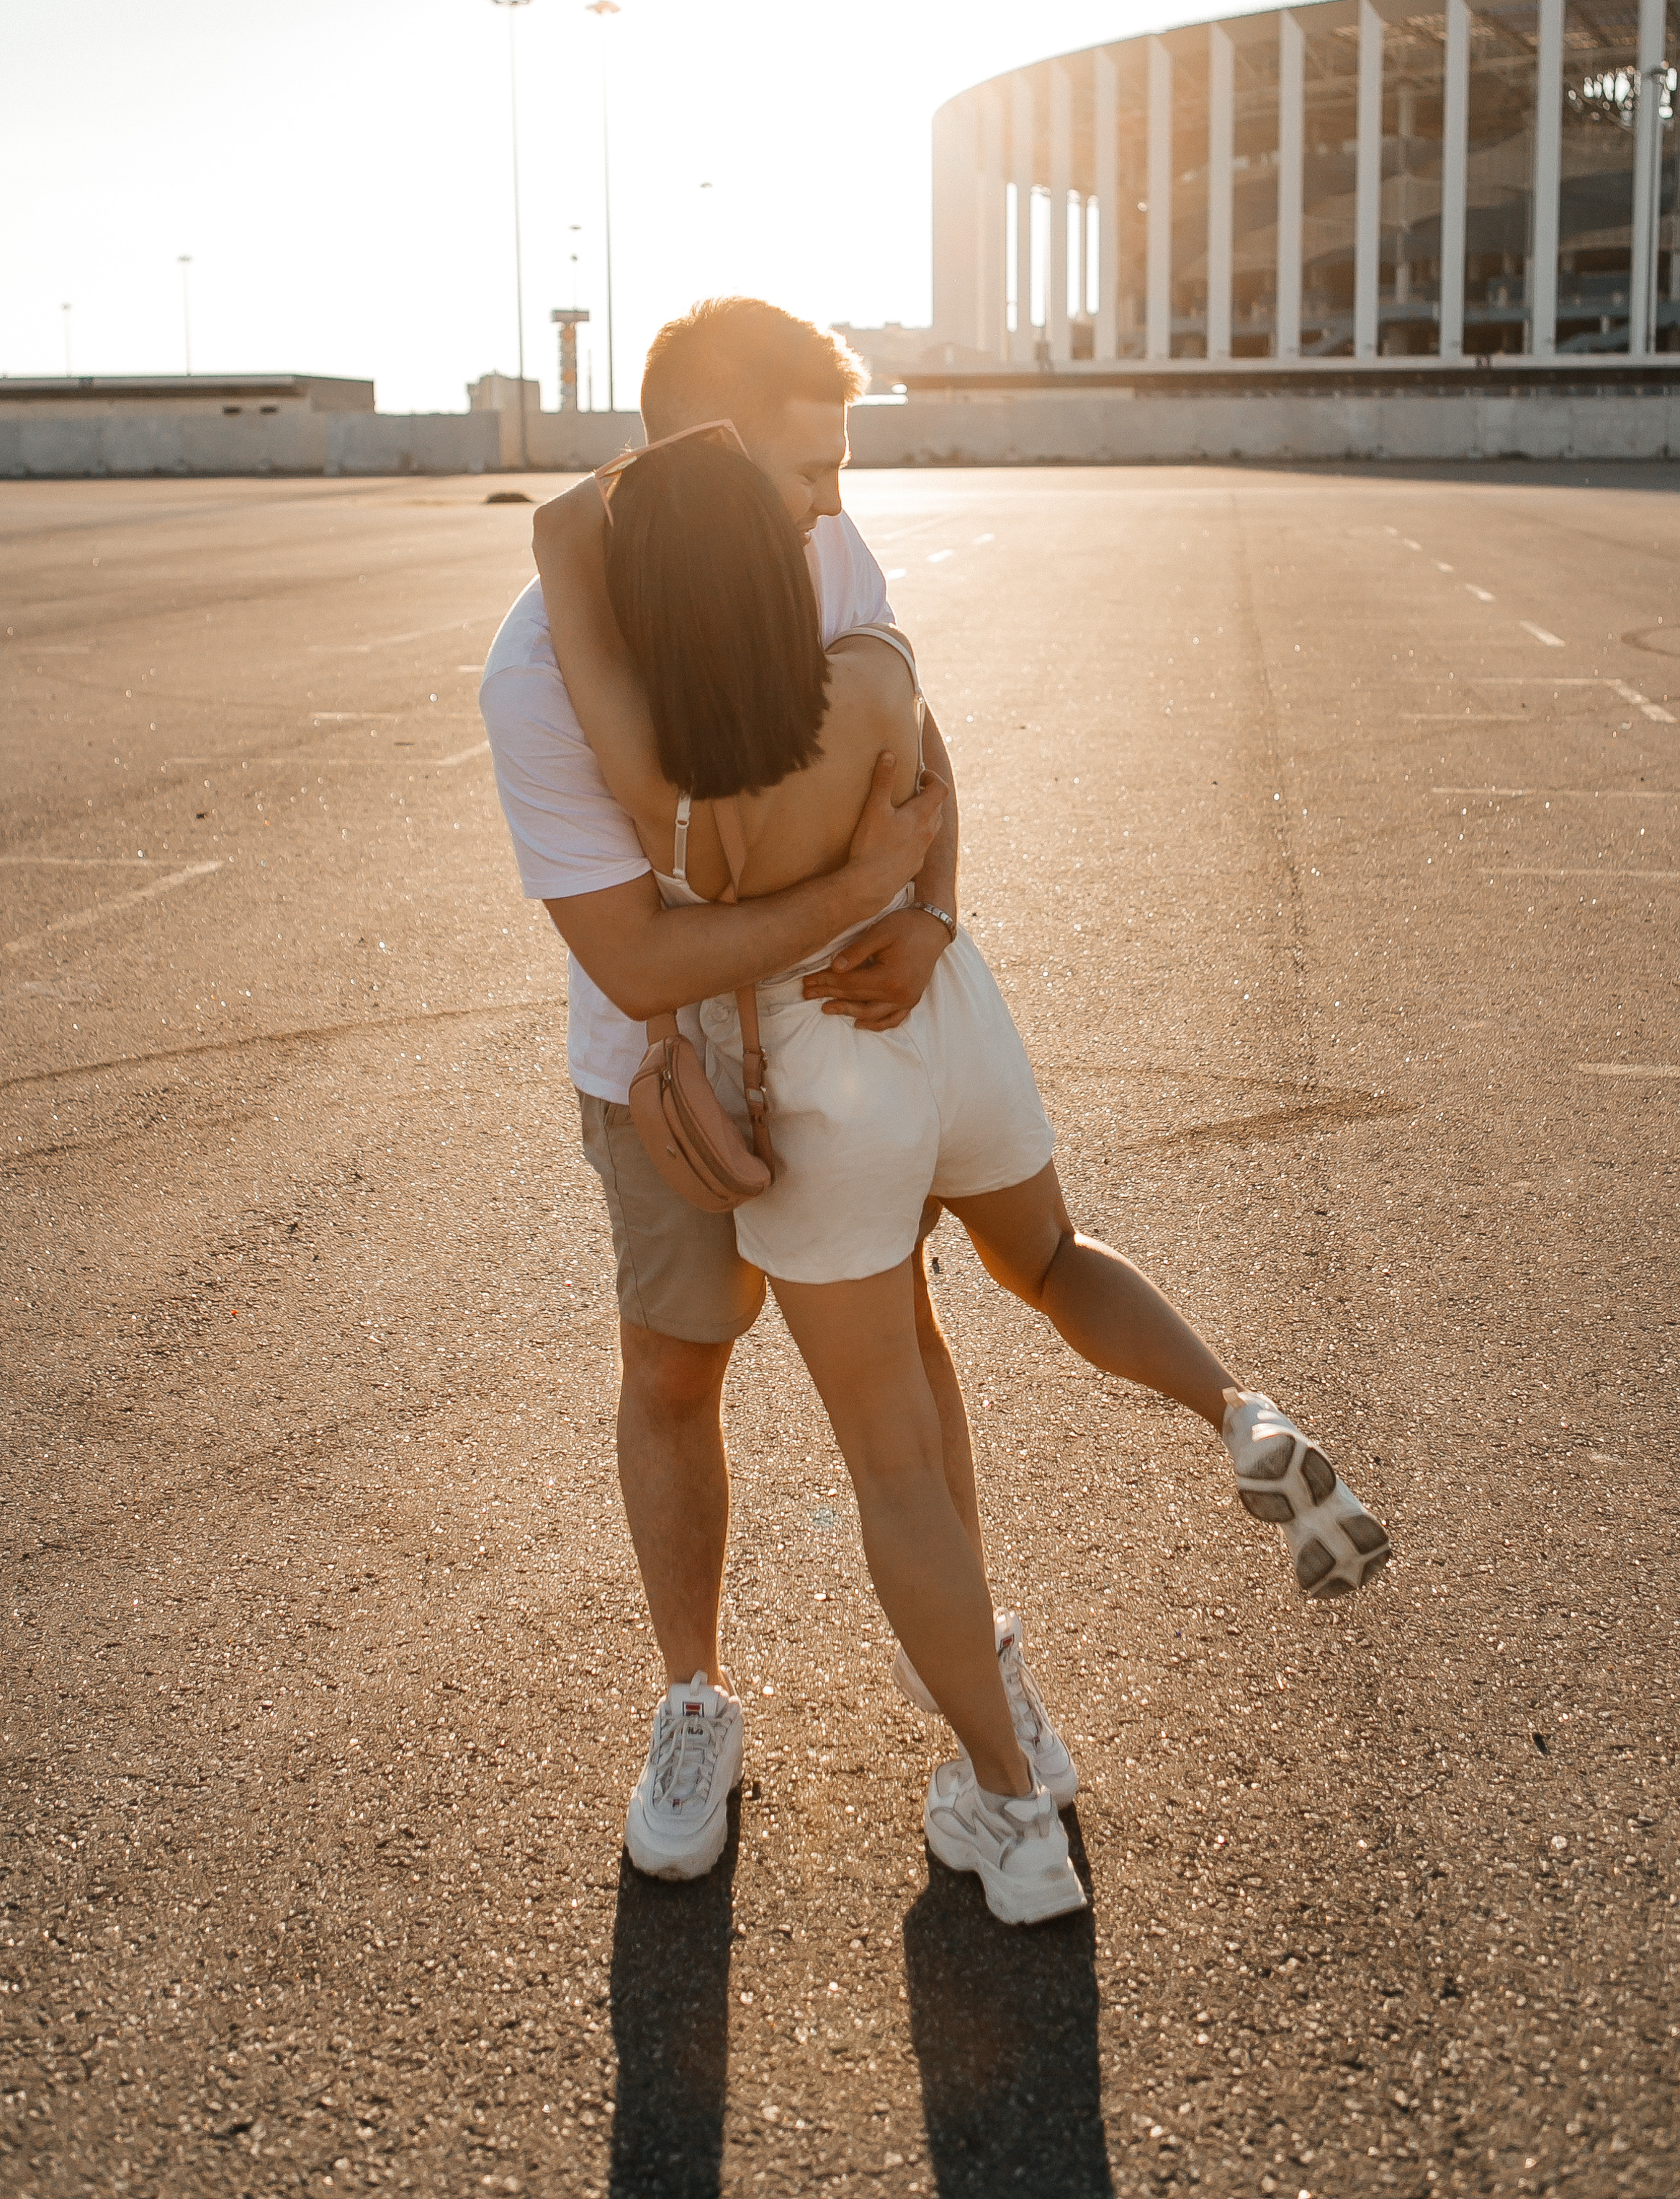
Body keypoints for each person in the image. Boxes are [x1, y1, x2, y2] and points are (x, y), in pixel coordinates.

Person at [483, 298, 1390, 1899]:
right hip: (726, 1071)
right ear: (711, 460)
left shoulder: (727, 713)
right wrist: (885, 870)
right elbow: (634, 963)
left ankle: (994, 1753)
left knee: (894, 1433)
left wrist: (927, 902)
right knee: (719, 1362)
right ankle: (709, 1690)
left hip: (828, 1050)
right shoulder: (597, 673)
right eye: (808, 473)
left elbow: (711, 847)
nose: (835, 505)